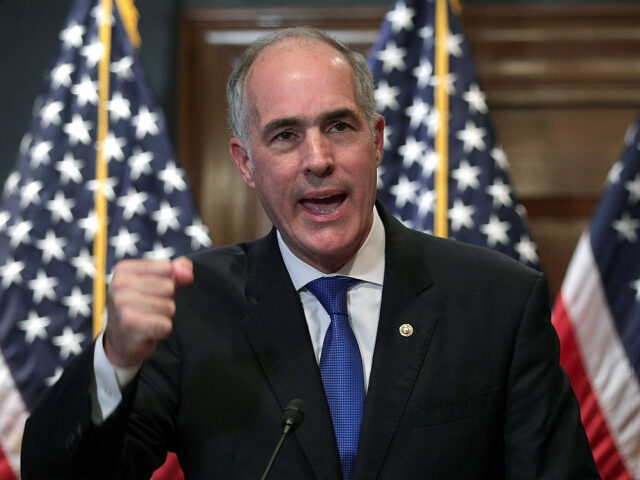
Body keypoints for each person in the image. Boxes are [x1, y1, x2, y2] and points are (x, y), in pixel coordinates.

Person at [21, 27, 599, 479]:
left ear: (376, 141)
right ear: (245, 164)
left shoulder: (495, 300)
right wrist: (116, 359)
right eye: (284, 135)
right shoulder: (192, 309)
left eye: (339, 127)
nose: (317, 158)